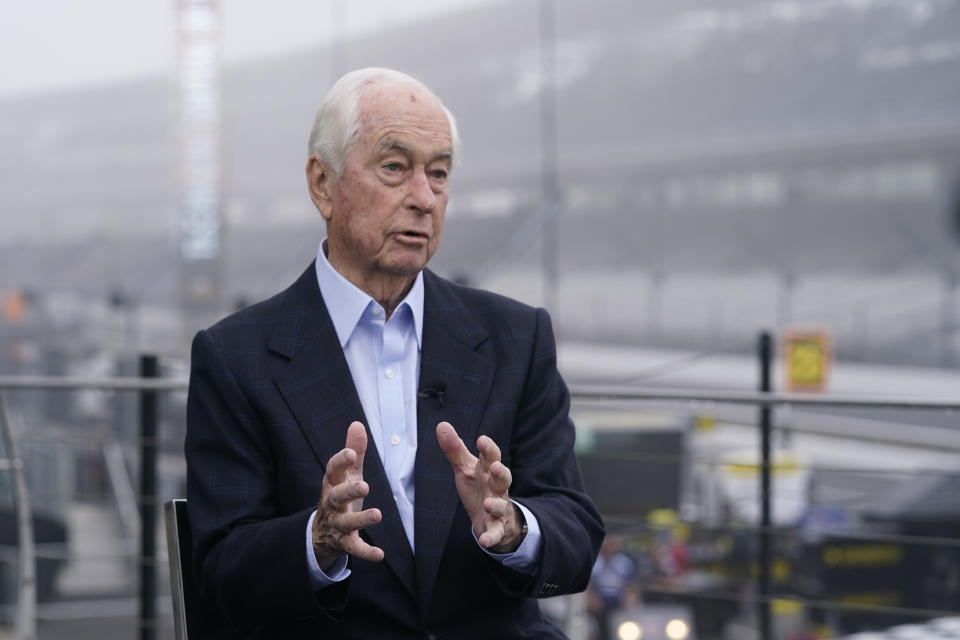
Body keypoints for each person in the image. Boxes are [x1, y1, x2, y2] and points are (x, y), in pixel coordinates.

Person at [185, 67, 605, 639]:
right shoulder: (235, 357)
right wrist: (317, 540)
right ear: (323, 184)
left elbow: (576, 530)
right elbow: (220, 572)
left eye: (439, 173)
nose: (424, 199)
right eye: (394, 168)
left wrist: (514, 529)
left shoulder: (516, 336)